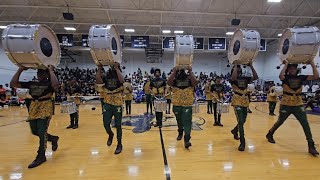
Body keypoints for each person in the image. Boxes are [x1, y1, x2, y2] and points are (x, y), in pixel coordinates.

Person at [266, 61, 319, 156]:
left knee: (305, 123)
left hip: (298, 103)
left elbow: (316, 76)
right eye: (290, 68)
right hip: (286, 103)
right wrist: (286, 64)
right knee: (280, 121)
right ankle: (270, 133)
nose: (292, 70)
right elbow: (280, 76)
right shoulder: (285, 78)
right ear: (288, 69)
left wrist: (312, 63)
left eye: (294, 68)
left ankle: (311, 145)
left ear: (296, 69)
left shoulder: (301, 77)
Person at [10, 66, 60, 168]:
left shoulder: (49, 83)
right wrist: (20, 69)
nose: (40, 75)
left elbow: (56, 85)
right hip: (34, 106)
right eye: (38, 73)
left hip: (45, 106)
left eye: (42, 73)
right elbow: (13, 84)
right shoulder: (31, 83)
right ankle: (53, 139)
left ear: (46, 74)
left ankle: (41, 156)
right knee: (34, 131)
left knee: (42, 132)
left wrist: (50, 70)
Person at [96, 62, 124, 154]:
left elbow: (122, 81)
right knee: (106, 124)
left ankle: (119, 144)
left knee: (118, 125)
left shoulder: (119, 75)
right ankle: (110, 134)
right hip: (107, 102)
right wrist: (99, 68)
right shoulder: (107, 75)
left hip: (117, 102)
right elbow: (98, 81)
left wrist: (116, 68)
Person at [230, 63, 258, 151]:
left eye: (239, 69)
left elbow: (256, 77)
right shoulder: (232, 79)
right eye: (236, 70)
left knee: (244, 120)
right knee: (241, 121)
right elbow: (234, 77)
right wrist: (235, 65)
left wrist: (251, 66)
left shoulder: (245, 78)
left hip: (245, 100)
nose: (238, 71)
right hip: (237, 100)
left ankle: (235, 130)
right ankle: (242, 142)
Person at [168, 66, 197, 149]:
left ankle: (187, 139)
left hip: (187, 104)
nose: (181, 72)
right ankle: (180, 132)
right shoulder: (174, 80)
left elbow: (195, 83)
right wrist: (173, 72)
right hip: (177, 104)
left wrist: (190, 71)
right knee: (179, 120)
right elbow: (168, 83)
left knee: (187, 121)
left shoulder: (189, 79)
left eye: (183, 71)